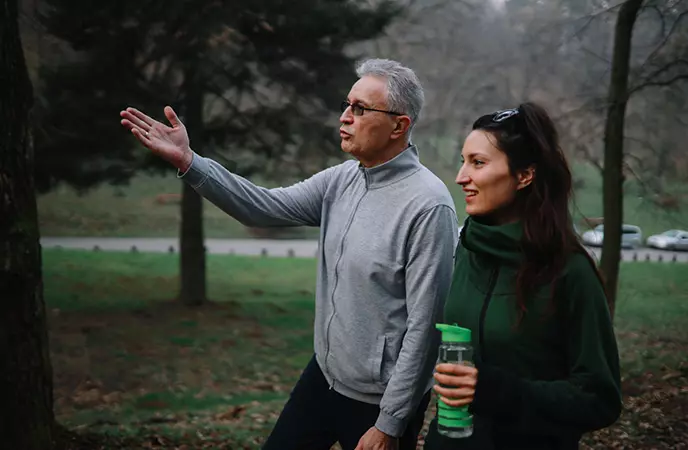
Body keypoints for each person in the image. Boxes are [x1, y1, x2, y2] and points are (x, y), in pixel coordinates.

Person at [119, 58, 459, 450]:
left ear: (399, 125)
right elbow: (262, 206)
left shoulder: (428, 206)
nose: (345, 117)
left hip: (378, 402)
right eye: (347, 105)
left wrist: (390, 423)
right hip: (324, 377)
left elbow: (425, 329)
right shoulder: (342, 179)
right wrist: (190, 163)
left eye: (361, 109)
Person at [424, 103, 622, 450]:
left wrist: (495, 391)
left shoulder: (570, 273)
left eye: (478, 163)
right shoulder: (467, 250)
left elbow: (599, 400)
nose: (461, 177)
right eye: (463, 161)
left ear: (524, 175)